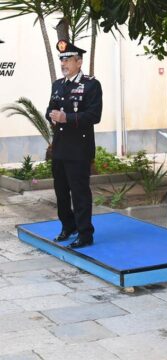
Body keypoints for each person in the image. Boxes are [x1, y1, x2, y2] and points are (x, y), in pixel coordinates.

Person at [46, 40, 102, 249]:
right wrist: (51, 116)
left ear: (79, 62)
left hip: (79, 149)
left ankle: (85, 233)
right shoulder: (58, 85)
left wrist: (66, 118)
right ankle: (67, 226)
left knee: (79, 192)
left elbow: (94, 115)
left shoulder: (91, 85)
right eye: (61, 59)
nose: (63, 63)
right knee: (61, 191)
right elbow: (50, 108)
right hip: (60, 147)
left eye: (67, 59)